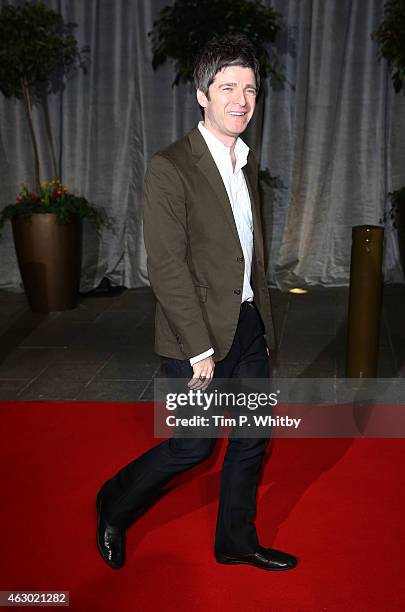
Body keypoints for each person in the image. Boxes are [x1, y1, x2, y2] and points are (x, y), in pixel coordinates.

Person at [96, 34, 297, 572]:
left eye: (251, 89)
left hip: (248, 325)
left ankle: (236, 540)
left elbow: (242, 256)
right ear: (201, 94)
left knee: (253, 437)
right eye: (228, 86)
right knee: (193, 447)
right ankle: (113, 502)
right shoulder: (170, 167)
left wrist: (260, 320)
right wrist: (200, 350)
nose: (242, 99)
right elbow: (166, 265)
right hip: (198, 338)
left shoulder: (246, 163)